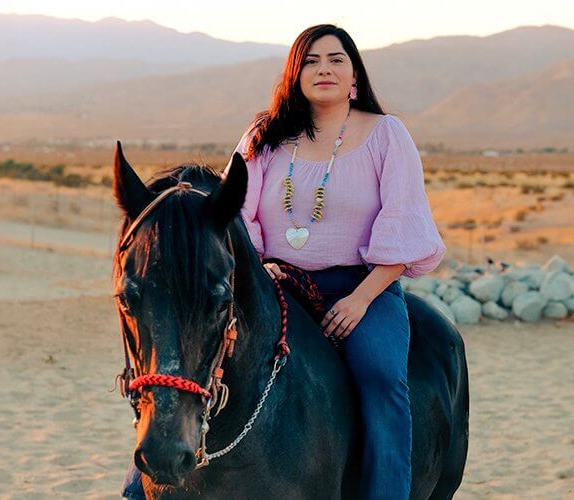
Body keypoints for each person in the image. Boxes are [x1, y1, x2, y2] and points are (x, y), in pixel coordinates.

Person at [123, 24, 445, 500]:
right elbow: (236, 212)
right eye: (311, 61)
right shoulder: (264, 136)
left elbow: (403, 222)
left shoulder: (386, 135)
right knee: (189, 355)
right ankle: (142, 482)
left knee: (381, 376)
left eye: (336, 59)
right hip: (272, 282)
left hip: (361, 288)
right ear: (295, 74)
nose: (324, 70)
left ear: (355, 73)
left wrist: (360, 300)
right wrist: (255, 267)